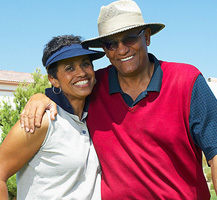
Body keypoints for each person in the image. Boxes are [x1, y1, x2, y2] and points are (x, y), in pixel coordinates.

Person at [20, 0, 217, 199]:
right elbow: (63, 90)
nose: (121, 50)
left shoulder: (186, 81)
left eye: (129, 39)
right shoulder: (94, 87)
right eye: (111, 43)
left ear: (147, 37)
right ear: (104, 49)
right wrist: (39, 98)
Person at [0, 35, 105, 199]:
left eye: (85, 64)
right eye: (69, 68)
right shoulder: (39, 120)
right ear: (53, 79)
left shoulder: (93, 116)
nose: (82, 73)